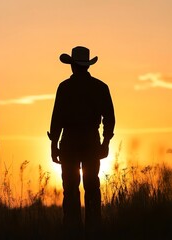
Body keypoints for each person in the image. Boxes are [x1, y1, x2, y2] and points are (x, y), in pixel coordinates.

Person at [48, 46, 115, 237]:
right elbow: (109, 118)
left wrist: (54, 145)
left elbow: (57, 119)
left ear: (72, 66)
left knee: (70, 187)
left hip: (69, 141)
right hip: (91, 140)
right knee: (92, 186)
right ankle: (94, 228)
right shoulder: (100, 87)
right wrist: (105, 142)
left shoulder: (65, 87)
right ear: (86, 65)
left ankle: (72, 228)